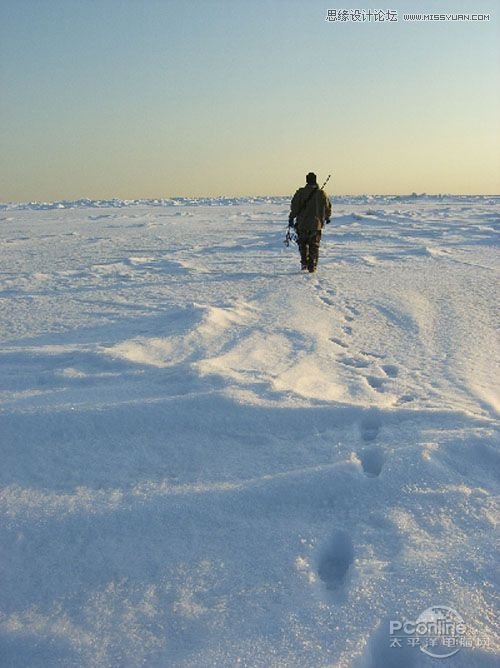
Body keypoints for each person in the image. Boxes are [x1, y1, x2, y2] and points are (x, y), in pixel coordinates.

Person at [288, 172, 331, 272]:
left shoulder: (300, 193)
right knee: (314, 246)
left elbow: (294, 207)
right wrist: (327, 217)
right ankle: (312, 266)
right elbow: (327, 207)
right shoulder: (321, 193)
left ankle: (304, 263)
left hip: (302, 224)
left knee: (303, 245)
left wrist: (291, 218)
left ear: (306, 181)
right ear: (315, 180)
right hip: (316, 225)